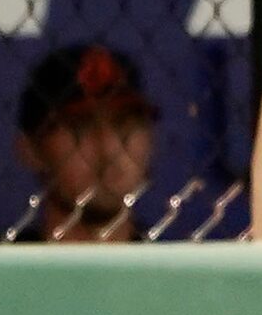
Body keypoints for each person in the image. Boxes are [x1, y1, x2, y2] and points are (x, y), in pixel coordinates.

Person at [12, 43, 158, 242]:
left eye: (124, 125)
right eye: (80, 128)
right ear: (31, 150)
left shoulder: (176, 269)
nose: (109, 149)